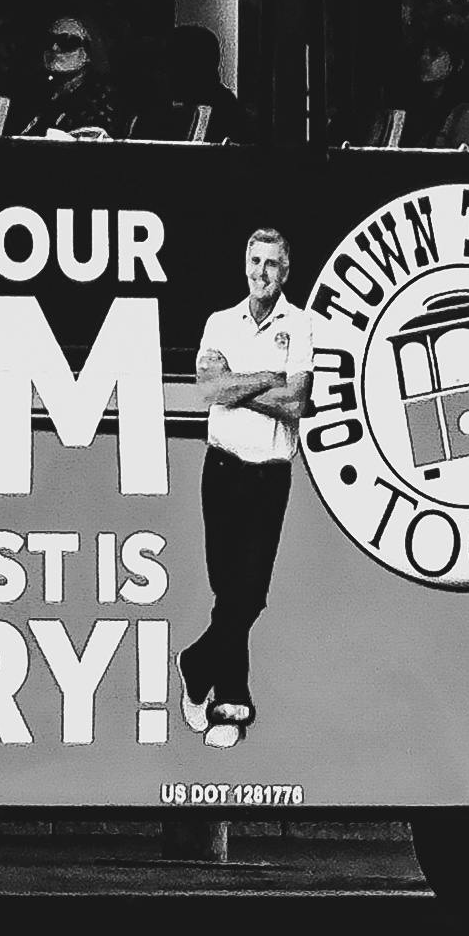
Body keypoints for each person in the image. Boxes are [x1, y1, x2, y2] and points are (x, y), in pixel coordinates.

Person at [181, 228, 310, 749]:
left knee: (250, 595)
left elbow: (295, 402)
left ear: (285, 271)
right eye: (254, 261)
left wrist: (240, 383)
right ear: (244, 265)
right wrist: (265, 379)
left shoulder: (299, 324)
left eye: (272, 264)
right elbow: (209, 389)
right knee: (227, 587)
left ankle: (196, 664)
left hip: (269, 474)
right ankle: (231, 700)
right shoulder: (220, 321)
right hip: (223, 469)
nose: (262, 272)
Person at [15, 14, 119, 142]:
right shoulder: (36, 90)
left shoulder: (99, 94)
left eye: (66, 41)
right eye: (49, 40)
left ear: (87, 52)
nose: (54, 48)